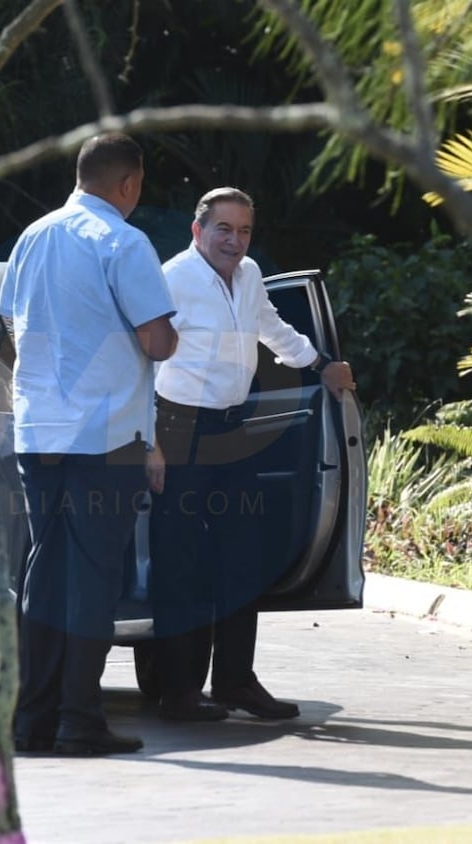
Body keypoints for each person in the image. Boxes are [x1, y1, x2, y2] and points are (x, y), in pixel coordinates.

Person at [0, 133, 178, 755]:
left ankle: (30, 721)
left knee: (43, 575)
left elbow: (7, 330)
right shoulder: (125, 243)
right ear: (128, 184)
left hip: (38, 431)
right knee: (94, 579)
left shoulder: (33, 236)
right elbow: (157, 341)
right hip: (106, 439)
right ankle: (80, 721)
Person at [147, 187, 355, 722]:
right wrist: (147, 442)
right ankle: (178, 691)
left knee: (244, 557)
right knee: (184, 564)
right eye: (224, 229)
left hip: (232, 429)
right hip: (177, 428)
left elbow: (270, 328)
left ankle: (236, 681)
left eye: (243, 231)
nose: (234, 242)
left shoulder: (250, 275)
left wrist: (319, 364)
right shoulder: (171, 279)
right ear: (198, 230)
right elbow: (140, 363)